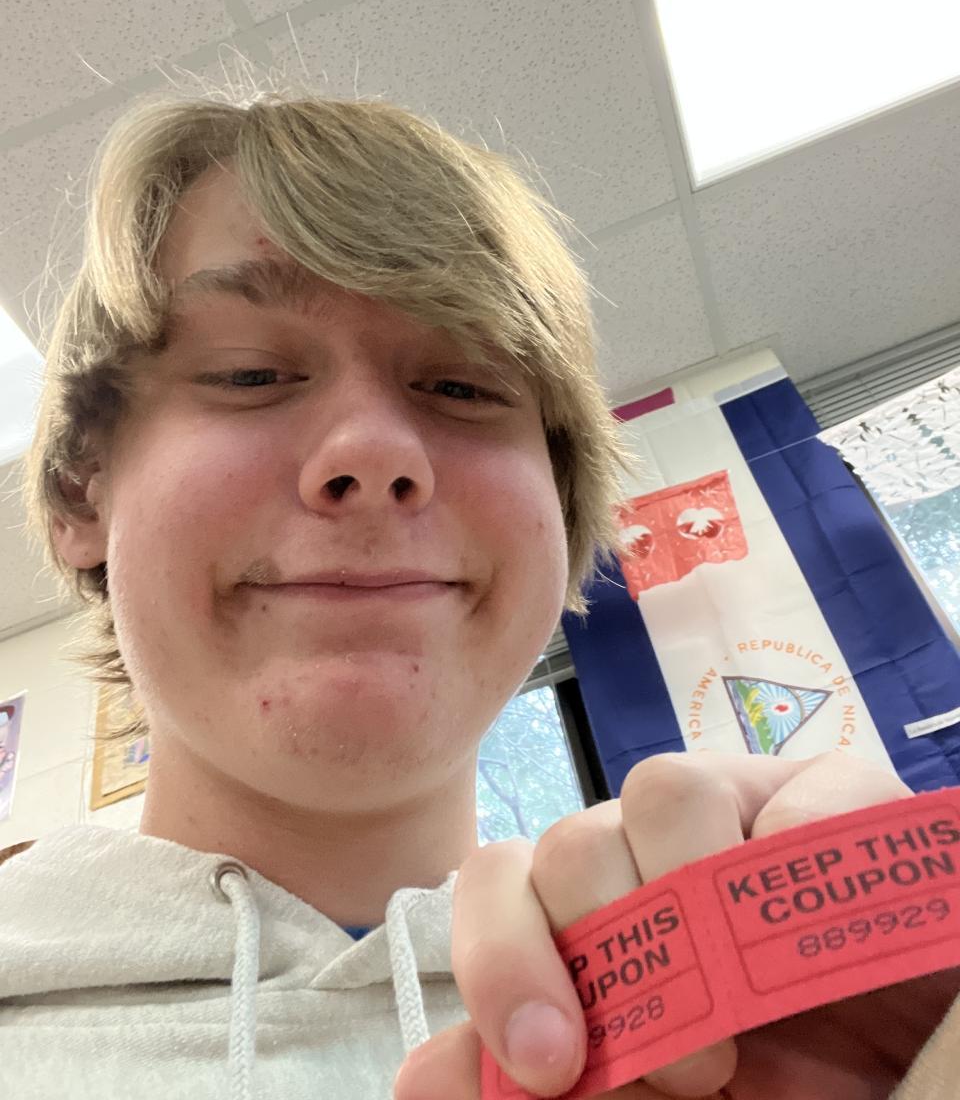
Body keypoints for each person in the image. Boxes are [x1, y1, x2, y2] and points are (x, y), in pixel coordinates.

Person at [1, 79, 957, 1099]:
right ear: (78, 490)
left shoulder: (727, 1030)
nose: (374, 451)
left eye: (463, 386)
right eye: (249, 373)